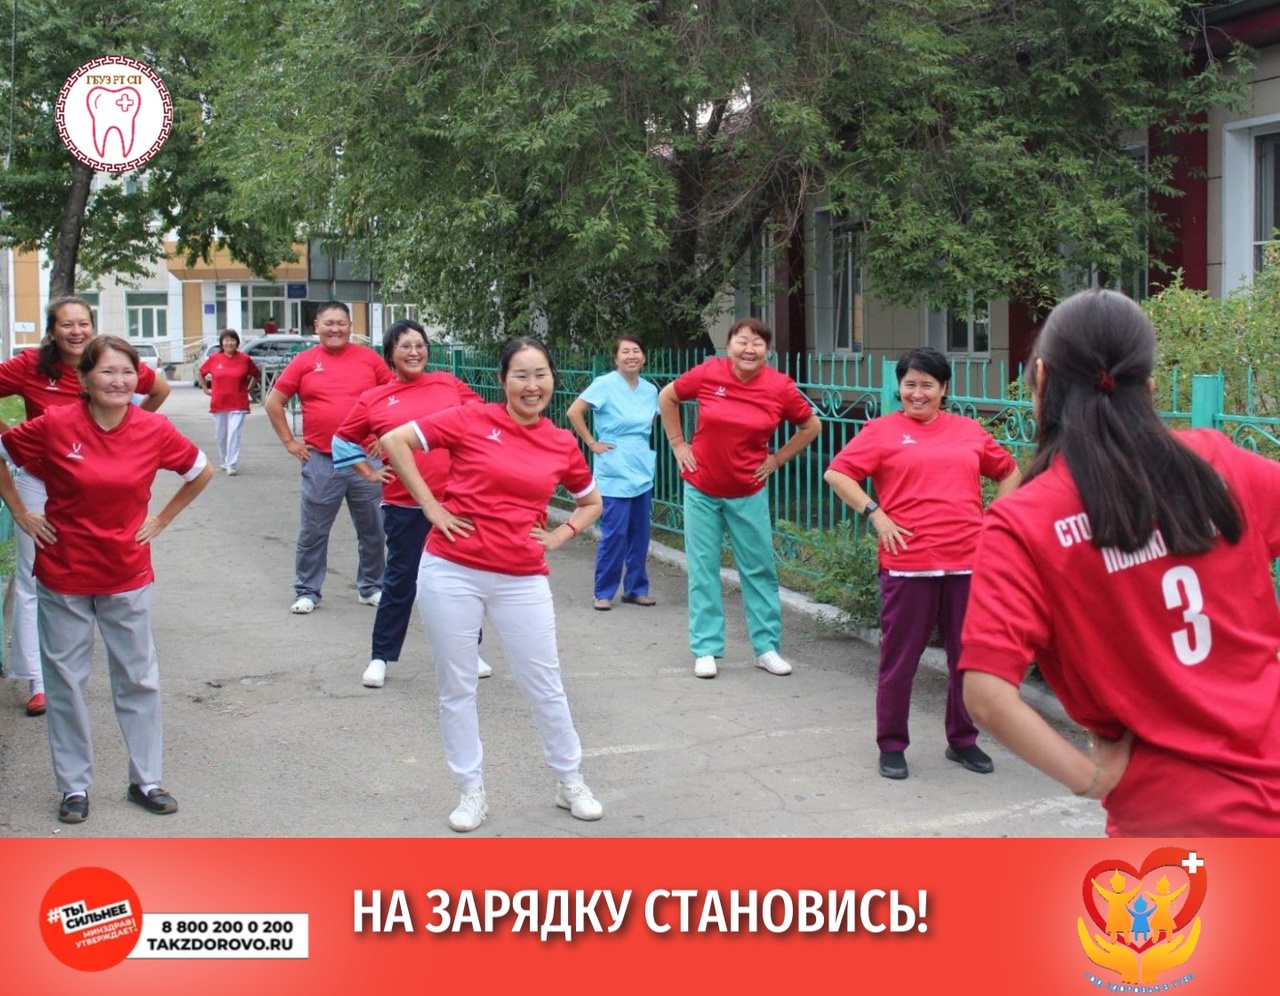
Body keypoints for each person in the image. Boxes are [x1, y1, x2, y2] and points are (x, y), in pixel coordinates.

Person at [960, 288, 1280, 836]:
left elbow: (986, 697)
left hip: (1172, 828)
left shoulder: (1024, 522)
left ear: (1040, 382)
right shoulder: (1219, 464)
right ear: (1149, 386)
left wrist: (1089, 779)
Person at [380, 336, 604, 832]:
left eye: (540, 374)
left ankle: (570, 781)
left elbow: (592, 503)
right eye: (520, 375)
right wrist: (431, 506)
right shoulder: (472, 418)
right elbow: (395, 441)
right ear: (503, 381)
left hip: (521, 576)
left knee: (544, 683)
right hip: (452, 569)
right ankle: (470, 790)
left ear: (552, 380)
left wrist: (559, 536)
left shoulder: (561, 442)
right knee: (456, 685)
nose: (532, 385)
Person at [0, 336, 212, 823]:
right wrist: (22, 513)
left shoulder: (153, 429)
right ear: (83, 379)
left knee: (138, 679)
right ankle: (74, 788)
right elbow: (3, 454)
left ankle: (147, 780)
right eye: (107, 372)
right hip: (65, 573)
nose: (119, 381)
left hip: (126, 572)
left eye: (127, 372)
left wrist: (161, 520)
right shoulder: (55, 425)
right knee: (66, 684)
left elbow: (200, 471)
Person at [825, 346, 1020, 780]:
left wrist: (995, 521)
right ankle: (892, 744)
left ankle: (963, 740)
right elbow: (837, 473)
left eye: (926, 385)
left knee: (967, 659)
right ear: (900, 388)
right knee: (900, 660)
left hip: (968, 564)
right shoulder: (881, 431)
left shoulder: (969, 431)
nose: (917, 393)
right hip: (907, 564)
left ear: (943, 388)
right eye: (909, 384)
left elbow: (1009, 471)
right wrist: (874, 513)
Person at [0, 296, 170, 718]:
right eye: (66, 324)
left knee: (96, 579)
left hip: (96, 489)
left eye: (83, 323)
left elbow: (159, 388)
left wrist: (133, 431)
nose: (76, 332)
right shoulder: (31, 367)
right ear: (52, 330)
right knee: (31, 577)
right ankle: (38, 680)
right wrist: (10, 436)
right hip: (41, 483)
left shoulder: (104, 362)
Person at [657, 318, 821, 679]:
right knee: (703, 569)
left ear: (767, 350)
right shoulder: (708, 373)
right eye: (742, 342)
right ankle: (706, 649)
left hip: (748, 491)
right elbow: (667, 396)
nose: (749, 349)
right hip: (701, 488)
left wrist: (777, 459)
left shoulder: (780, 387)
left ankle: (767, 648)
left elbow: (811, 426)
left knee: (759, 569)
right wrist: (678, 443)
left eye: (758, 343)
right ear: (729, 345)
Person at [331, 319, 492, 687]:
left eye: (419, 345)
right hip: (405, 506)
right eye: (405, 346)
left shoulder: (448, 384)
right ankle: (381, 657)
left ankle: (470, 650)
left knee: (461, 582)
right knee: (402, 580)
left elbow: (482, 421)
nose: (414, 352)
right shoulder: (374, 399)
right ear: (390, 354)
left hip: (455, 503)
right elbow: (342, 441)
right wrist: (370, 473)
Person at [264, 301, 392, 614]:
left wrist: (382, 438)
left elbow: (394, 398)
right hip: (322, 459)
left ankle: (372, 586)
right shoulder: (304, 362)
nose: (335, 329)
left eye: (341, 323)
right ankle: (308, 590)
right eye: (328, 323)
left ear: (351, 327)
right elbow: (274, 402)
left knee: (374, 529)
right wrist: (289, 442)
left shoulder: (370, 360)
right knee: (314, 531)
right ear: (316, 327)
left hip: (366, 459)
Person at [566, 335, 659, 610]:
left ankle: (635, 588)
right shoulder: (604, 384)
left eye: (636, 350)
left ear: (643, 357)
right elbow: (574, 411)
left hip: (641, 465)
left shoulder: (650, 390)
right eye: (625, 352)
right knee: (614, 533)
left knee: (640, 534)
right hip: (614, 465)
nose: (631, 355)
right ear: (616, 358)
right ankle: (603, 592)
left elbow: (651, 420)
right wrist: (592, 442)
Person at [199, 329, 260, 476]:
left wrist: (248, 388)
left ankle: (231, 463)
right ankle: (224, 459)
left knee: (234, 433)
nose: (229, 343)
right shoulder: (214, 359)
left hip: (238, 403)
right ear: (222, 343)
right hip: (219, 402)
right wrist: (205, 389)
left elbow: (256, 374)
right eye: (226, 340)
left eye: (232, 340)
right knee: (221, 435)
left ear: (237, 342)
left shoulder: (244, 359)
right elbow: (201, 372)